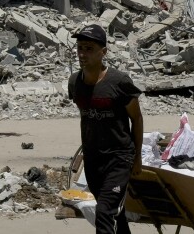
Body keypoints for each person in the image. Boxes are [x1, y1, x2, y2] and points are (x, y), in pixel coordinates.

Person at [68, 24, 143, 234]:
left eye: (89, 49)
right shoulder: (74, 82)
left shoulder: (119, 82)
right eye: (80, 48)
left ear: (104, 52)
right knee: (114, 213)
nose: (82, 54)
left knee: (103, 212)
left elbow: (136, 119)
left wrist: (136, 158)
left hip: (119, 159)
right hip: (93, 159)